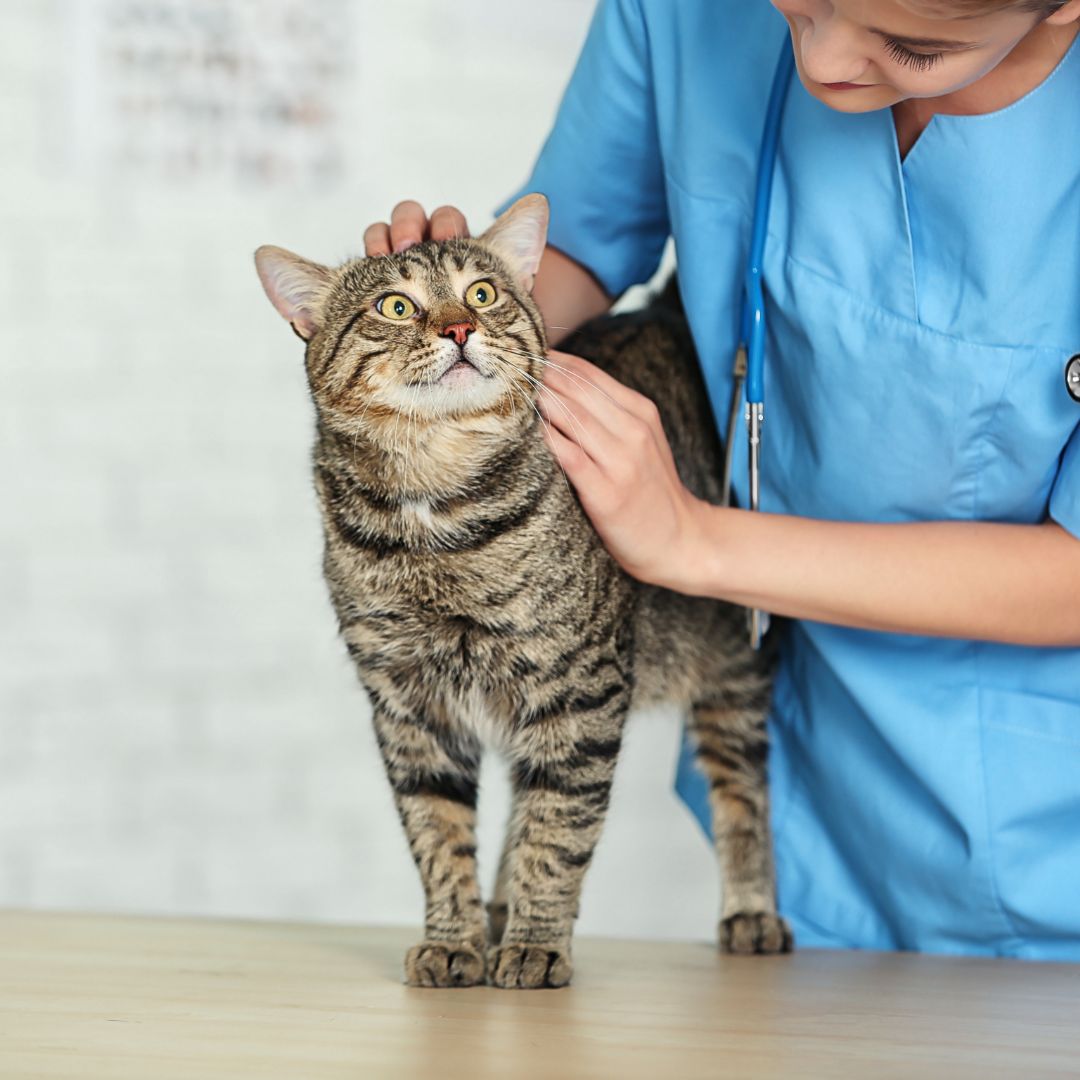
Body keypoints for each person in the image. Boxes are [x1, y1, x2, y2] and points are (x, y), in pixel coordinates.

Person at [363, 0, 1080, 960]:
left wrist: (693, 541)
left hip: (1048, 842)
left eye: (912, 46)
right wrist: (462, 313)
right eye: (799, 2)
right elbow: (580, 239)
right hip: (804, 796)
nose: (823, 61)